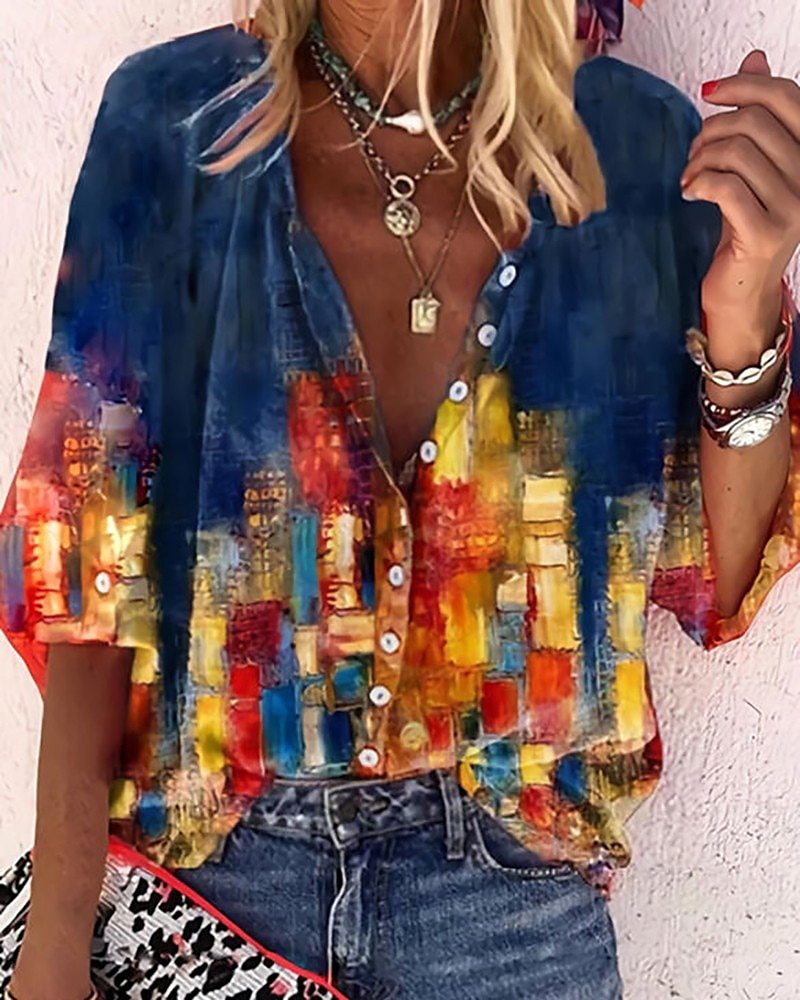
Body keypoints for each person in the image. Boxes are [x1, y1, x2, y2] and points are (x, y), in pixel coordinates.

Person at [3, 2, 800, 998]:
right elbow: (80, 573)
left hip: (509, 922)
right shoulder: (175, 123)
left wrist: (743, 302)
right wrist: (54, 942)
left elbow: (719, 574)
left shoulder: (638, 153)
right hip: (208, 892)